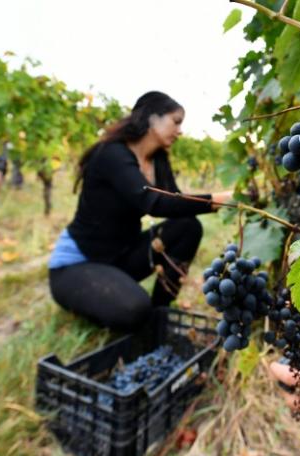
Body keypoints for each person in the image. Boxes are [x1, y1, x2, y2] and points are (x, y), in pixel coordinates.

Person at [48, 91, 232, 334]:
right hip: (78, 266)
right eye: (176, 122)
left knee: (188, 226)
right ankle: (136, 312)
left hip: (119, 258)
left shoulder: (158, 160)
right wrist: (222, 200)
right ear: (151, 118)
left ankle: (160, 314)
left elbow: (175, 205)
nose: (180, 131)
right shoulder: (112, 154)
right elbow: (153, 203)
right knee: (133, 310)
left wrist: (222, 202)